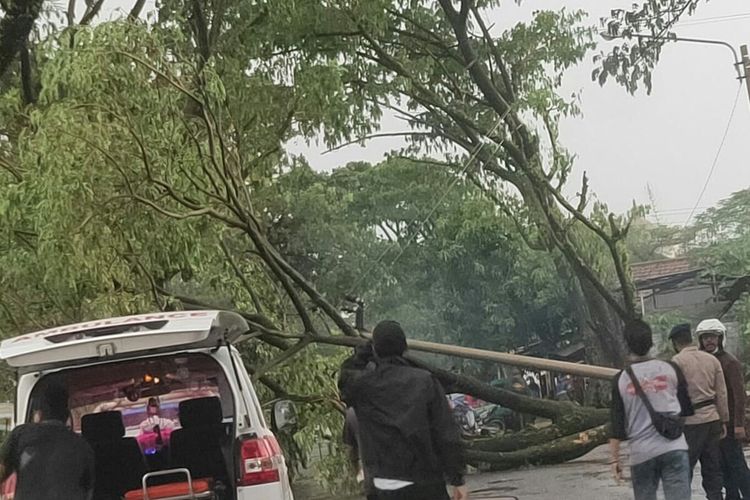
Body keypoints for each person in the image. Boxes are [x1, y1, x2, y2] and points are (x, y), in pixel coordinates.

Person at [339, 320, 468, 500]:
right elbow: (446, 434)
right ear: (405, 347)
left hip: (383, 485)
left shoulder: (364, 387)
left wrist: (366, 349)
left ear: (376, 349)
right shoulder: (425, 382)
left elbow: (345, 376)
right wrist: (457, 479)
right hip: (425, 483)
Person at [610, 319, 694, 500]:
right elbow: (686, 409)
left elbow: (617, 426)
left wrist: (615, 460)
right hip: (674, 448)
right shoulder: (671, 368)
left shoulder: (621, 379)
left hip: (641, 454)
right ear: (651, 342)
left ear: (627, 344)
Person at [0, 384, 95, 500]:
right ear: (66, 416)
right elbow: (88, 490)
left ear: (38, 414)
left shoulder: (21, 434)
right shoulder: (82, 446)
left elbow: (2, 469)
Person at [670, 322, 729, 500]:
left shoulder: (676, 362)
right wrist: (724, 419)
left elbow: (672, 395)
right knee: (712, 468)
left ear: (675, 343)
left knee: (684, 468)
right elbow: (722, 392)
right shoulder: (712, 360)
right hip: (712, 419)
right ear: (692, 339)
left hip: (690, 423)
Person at [698, 318, 750, 500]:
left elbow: (739, 396)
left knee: (736, 463)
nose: (709, 341)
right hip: (713, 423)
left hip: (729, 422)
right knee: (721, 464)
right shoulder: (702, 362)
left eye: (712, 337)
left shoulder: (729, 362)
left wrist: (739, 424)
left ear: (720, 338)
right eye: (705, 338)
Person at [343, 407, 377, 500]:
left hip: (373, 482)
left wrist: (358, 471)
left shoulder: (352, 413)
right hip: (406, 480)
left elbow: (351, 450)